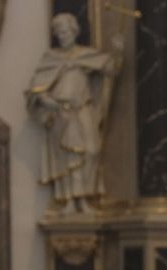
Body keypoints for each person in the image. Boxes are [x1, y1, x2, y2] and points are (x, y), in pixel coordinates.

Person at [26, 13, 123, 214]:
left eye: (66, 30)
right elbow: (36, 90)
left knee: (92, 150)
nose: (63, 35)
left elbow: (110, 68)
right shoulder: (51, 59)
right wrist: (47, 101)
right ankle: (71, 201)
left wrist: (118, 51)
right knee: (68, 157)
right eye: (59, 32)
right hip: (61, 111)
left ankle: (86, 196)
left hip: (83, 108)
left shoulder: (86, 55)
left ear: (74, 31)